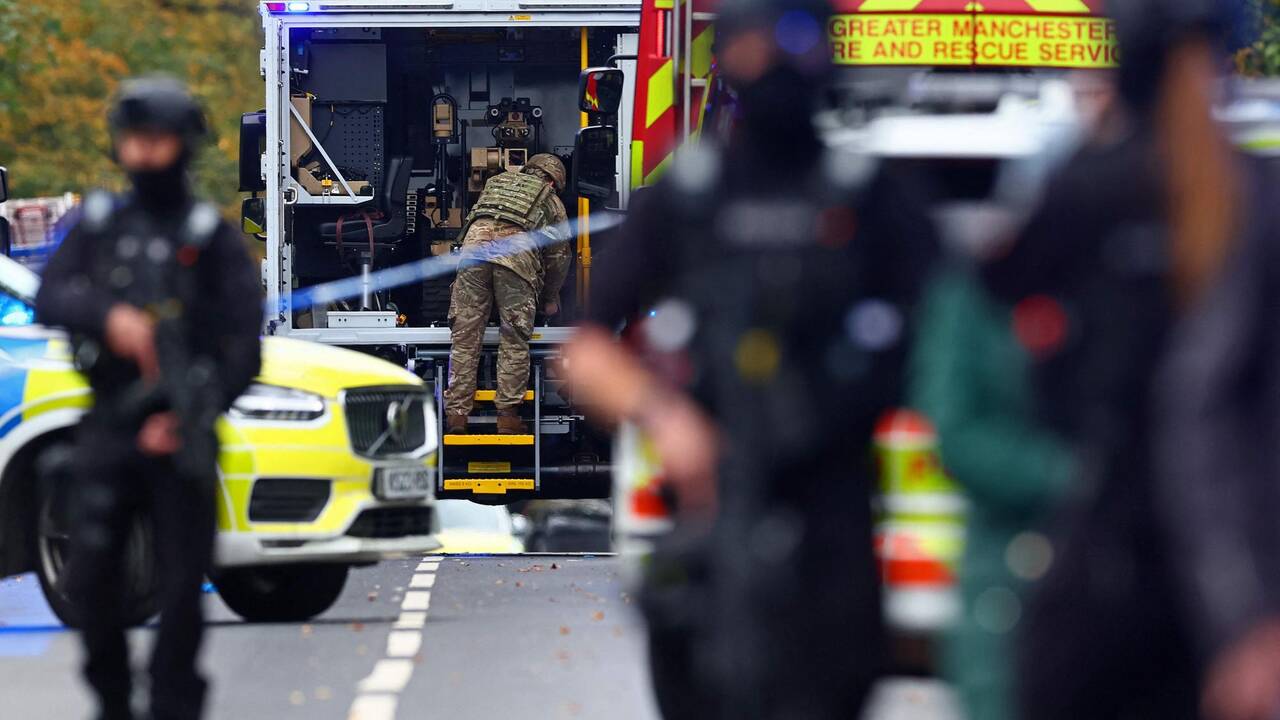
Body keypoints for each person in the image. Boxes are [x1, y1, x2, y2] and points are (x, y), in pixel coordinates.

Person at [563, 0, 936, 714]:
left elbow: (954, 336)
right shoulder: (692, 195)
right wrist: (665, 418)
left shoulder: (870, 197)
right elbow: (585, 349)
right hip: (716, 510)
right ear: (729, 52)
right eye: (764, 42)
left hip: (832, 517)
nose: (782, 61)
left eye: (800, 39)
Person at [989, 1, 1251, 717]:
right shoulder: (1244, 199)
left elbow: (1001, 286)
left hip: (1117, 525)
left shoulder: (1093, 186)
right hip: (1198, 544)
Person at [34, 75, 263, 720]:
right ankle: (112, 699)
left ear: (183, 145)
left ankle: (172, 704)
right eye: (135, 139)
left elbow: (243, 350)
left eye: (158, 140)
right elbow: (52, 295)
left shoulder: (210, 238)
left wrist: (195, 412)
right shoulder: (99, 225)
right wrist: (109, 317)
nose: (145, 153)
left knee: (182, 589)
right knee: (89, 581)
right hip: (111, 426)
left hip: (180, 431)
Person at [444, 153, 570, 435]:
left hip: (473, 256)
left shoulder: (497, 183)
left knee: (464, 338)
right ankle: (507, 416)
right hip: (515, 260)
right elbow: (559, 255)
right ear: (553, 181)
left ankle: (457, 416)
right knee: (513, 338)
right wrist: (550, 296)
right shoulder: (551, 200)